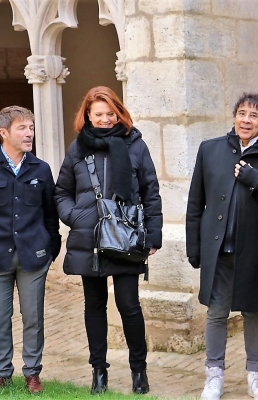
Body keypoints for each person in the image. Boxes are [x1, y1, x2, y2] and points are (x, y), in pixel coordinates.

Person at [55, 86, 162, 395]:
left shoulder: (136, 145)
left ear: (119, 113)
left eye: (109, 114)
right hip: (89, 239)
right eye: (98, 114)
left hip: (126, 238)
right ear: (87, 115)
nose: (104, 119)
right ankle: (98, 371)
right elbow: (61, 191)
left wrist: (153, 235)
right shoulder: (77, 148)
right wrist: (75, 216)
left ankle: (139, 372)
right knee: (94, 306)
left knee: (129, 306)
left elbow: (150, 193)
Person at [186, 93, 258, 400]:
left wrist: (257, 179)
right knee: (216, 313)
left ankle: (257, 376)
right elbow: (195, 202)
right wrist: (195, 247)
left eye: (254, 116)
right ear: (234, 117)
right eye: (242, 113)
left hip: (253, 250)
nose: (246, 120)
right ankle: (213, 374)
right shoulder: (210, 149)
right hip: (217, 251)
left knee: (253, 313)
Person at [0, 106, 61, 395]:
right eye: (22, 128)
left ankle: (32, 373)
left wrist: (50, 248)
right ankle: (1, 374)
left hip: (33, 257)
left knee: (33, 317)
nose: (29, 134)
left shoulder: (41, 169)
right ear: (4, 133)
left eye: (31, 128)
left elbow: (51, 214)